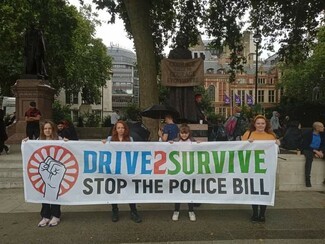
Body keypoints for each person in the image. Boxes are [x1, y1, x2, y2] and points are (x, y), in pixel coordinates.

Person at [24, 120, 64, 227]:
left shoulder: (58, 139)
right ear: (42, 130)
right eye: (45, 128)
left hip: (55, 170)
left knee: (55, 191)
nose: (47, 130)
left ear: (53, 129)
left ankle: (56, 215)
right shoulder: (38, 140)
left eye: (49, 128)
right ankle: (45, 216)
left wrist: (67, 142)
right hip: (44, 169)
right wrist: (27, 143)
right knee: (44, 192)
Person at [241, 114, 280, 223]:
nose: (260, 125)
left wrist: (277, 143)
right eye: (258, 123)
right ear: (254, 124)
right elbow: (240, 148)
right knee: (254, 190)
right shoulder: (248, 134)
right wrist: (247, 144)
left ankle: (262, 214)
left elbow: (275, 150)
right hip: (252, 167)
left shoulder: (271, 136)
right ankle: (255, 213)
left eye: (262, 123)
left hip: (266, 168)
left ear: (266, 124)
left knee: (264, 190)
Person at [102, 120, 142, 223]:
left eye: (123, 128)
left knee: (129, 190)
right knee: (114, 190)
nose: (121, 130)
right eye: (119, 128)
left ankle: (134, 211)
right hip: (114, 169)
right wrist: (103, 144)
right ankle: (115, 210)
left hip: (126, 169)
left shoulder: (130, 139)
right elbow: (104, 150)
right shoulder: (110, 139)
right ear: (115, 129)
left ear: (125, 129)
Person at [170, 123, 197, 221]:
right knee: (178, 191)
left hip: (189, 170)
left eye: (186, 133)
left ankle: (191, 211)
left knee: (189, 191)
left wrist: (200, 144)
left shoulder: (192, 141)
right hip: (178, 171)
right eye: (182, 133)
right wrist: (169, 144)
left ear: (189, 133)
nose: (184, 135)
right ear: (179, 133)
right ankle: (176, 211)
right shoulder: (176, 141)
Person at [300, 122, 325, 187]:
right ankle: (307, 179)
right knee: (309, 158)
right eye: (322, 127)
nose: (323, 128)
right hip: (309, 149)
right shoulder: (307, 134)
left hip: (318, 150)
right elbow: (305, 145)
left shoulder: (322, 135)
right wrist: (315, 152)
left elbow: (323, 144)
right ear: (317, 128)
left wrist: (321, 151)